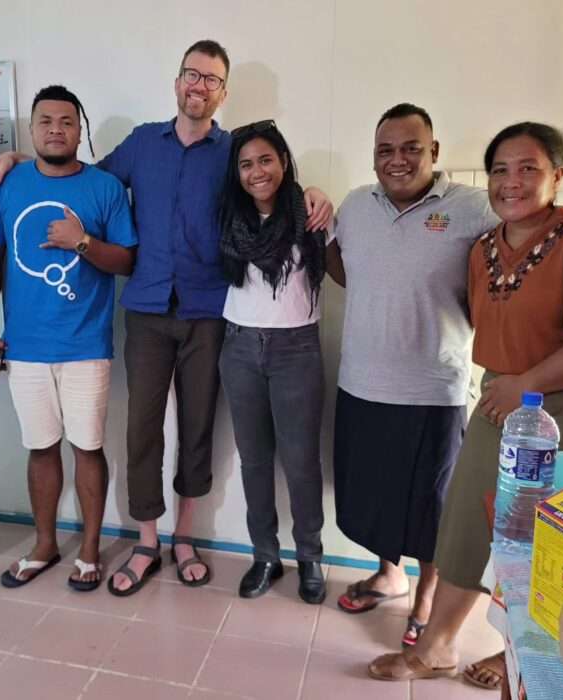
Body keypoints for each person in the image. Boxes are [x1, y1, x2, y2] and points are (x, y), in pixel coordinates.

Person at [0, 40, 332, 596]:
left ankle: (184, 538)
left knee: (197, 428)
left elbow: (272, 183)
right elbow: (82, 176)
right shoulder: (143, 143)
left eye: (211, 79)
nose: (198, 86)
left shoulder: (233, 150)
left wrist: (310, 187)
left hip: (209, 310)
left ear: (222, 92)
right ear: (176, 82)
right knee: (142, 429)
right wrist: (20, 160)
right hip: (145, 311)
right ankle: (148, 539)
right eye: (191, 74)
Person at [368, 122, 563, 686]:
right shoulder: (485, 249)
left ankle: (525, 655)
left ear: (557, 176)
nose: (511, 182)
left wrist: (530, 383)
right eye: (500, 170)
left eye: (528, 169)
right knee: (471, 521)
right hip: (502, 402)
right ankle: (436, 647)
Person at [326, 103, 499, 647]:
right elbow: (338, 261)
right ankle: (389, 574)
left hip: (435, 390)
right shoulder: (356, 205)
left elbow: (530, 250)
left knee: (432, 506)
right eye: (385, 150)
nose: (397, 160)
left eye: (410, 149)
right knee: (375, 496)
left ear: (434, 153)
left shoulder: (474, 208)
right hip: (362, 383)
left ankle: (425, 597)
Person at [0, 85, 137, 592]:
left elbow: (127, 261)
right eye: (46, 121)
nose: (56, 130)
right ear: (32, 129)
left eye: (66, 121)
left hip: (86, 345)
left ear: (79, 129)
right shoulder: (7, 184)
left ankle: (88, 549)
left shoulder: (105, 188)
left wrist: (82, 242)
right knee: (39, 447)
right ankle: (44, 543)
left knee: (87, 447)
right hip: (25, 347)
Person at [217, 120, 328, 604]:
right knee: (254, 461)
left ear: (283, 162)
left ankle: (310, 557)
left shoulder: (310, 213)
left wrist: (321, 193)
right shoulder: (228, 218)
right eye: (245, 164)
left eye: (266, 160)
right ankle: (265, 555)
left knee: (302, 462)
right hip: (238, 346)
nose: (256, 172)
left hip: (296, 349)